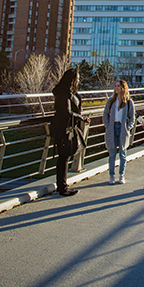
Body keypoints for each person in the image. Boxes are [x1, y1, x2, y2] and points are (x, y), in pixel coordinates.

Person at [50, 67, 90, 197]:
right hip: (63, 129)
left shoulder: (69, 93)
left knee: (65, 156)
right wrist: (81, 118)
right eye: (77, 79)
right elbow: (67, 113)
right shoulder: (62, 94)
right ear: (71, 80)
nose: (78, 81)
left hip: (68, 128)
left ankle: (63, 185)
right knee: (63, 157)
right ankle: (62, 187)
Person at [102, 79, 135, 184]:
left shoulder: (129, 102)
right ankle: (111, 175)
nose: (116, 88)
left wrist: (128, 127)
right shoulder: (111, 101)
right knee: (112, 154)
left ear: (123, 88)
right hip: (112, 128)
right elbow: (105, 114)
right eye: (115, 86)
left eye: (118, 86)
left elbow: (132, 118)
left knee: (123, 153)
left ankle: (121, 175)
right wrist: (107, 125)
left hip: (122, 128)